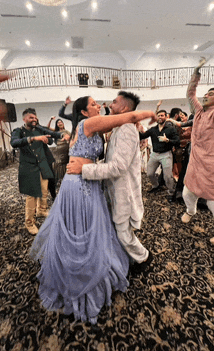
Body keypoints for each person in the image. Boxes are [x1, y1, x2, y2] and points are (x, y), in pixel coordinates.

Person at [30, 95, 156, 324]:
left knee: (88, 229)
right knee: (81, 231)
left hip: (87, 182)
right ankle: (79, 276)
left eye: (101, 103)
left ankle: (88, 269)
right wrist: (148, 114)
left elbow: (98, 155)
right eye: (94, 104)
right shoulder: (88, 123)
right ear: (85, 112)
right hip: (79, 184)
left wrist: (87, 165)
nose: (100, 105)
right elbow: (132, 115)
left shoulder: (97, 127)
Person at [67, 92, 157, 272]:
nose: (107, 105)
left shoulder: (126, 129)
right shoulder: (118, 127)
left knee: (124, 234)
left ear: (123, 108)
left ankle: (144, 258)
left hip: (124, 192)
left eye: (114, 102)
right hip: (110, 188)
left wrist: (85, 169)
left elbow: (117, 167)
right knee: (115, 229)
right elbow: (110, 161)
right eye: (94, 104)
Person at [10, 108, 66, 235]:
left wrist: (62, 135)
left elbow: (50, 133)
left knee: (44, 189)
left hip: (43, 164)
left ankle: (42, 210)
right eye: (31, 118)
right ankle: (29, 222)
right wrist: (34, 139)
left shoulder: (40, 129)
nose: (34, 119)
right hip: (29, 167)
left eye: (35, 117)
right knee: (32, 195)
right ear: (24, 119)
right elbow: (14, 142)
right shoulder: (18, 131)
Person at [181, 72, 214, 245]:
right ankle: (191, 211)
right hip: (195, 161)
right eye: (206, 93)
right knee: (187, 192)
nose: (206, 96)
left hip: (213, 165)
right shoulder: (198, 111)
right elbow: (190, 94)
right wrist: (195, 77)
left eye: (211, 94)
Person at [140, 110, 180, 202]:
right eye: (158, 116)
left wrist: (168, 141)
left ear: (166, 117)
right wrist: (135, 129)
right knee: (149, 173)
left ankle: (171, 192)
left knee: (167, 176)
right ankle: (156, 186)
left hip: (166, 154)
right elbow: (142, 136)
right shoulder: (153, 129)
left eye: (162, 115)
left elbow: (177, 141)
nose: (160, 117)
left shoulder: (171, 129)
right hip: (155, 154)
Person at [47, 117, 71, 181]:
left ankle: (65, 178)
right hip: (59, 149)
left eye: (61, 122)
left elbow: (71, 139)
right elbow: (47, 127)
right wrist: (51, 119)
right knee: (58, 163)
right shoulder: (56, 132)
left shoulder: (66, 131)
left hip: (66, 148)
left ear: (63, 124)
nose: (60, 123)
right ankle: (59, 178)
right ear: (57, 125)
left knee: (65, 162)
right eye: (58, 122)